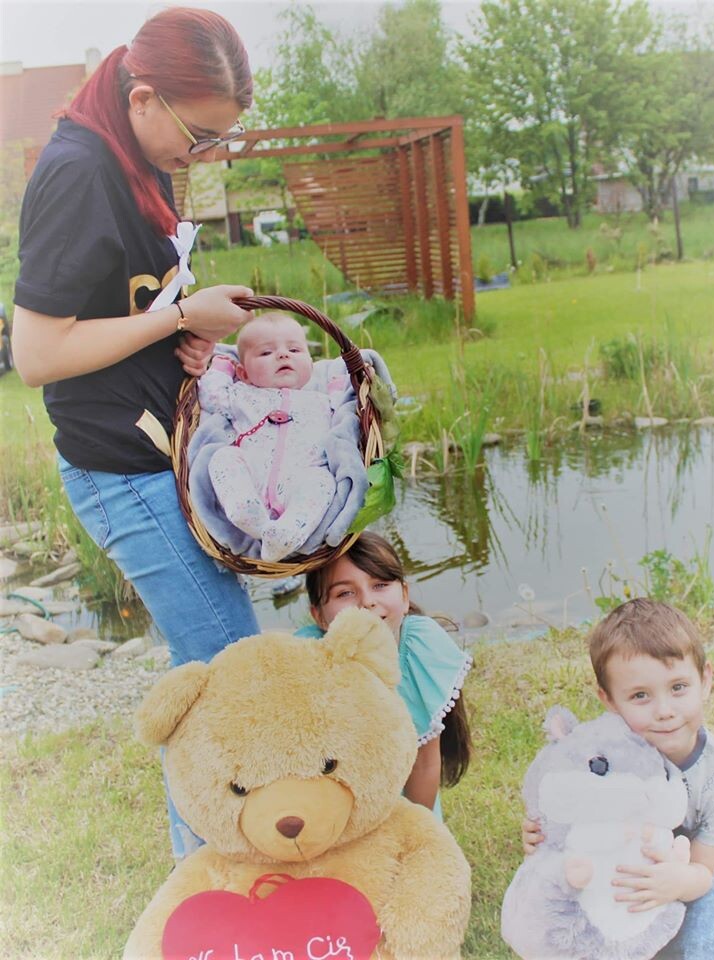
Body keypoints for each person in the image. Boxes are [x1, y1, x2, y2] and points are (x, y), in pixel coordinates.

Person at [12, 7, 260, 860]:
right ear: (143, 97)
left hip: (159, 453)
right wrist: (180, 317)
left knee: (211, 676)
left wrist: (188, 334)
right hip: (121, 468)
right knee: (227, 677)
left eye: (219, 139)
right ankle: (204, 885)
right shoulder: (79, 172)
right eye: (199, 136)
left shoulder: (135, 160)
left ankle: (210, 874)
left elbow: (126, 310)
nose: (204, 155)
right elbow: (37, 354)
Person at [523, 598, 714, 960]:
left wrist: (677, 882)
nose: (664, 711)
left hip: (696, 873)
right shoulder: (600, 758)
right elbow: (566, 815)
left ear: (705, 680)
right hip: (617, 864)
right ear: (610, 700)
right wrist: (541, 837)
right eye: (640, 696)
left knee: (709, 942)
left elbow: (705, 870)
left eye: (678, 687)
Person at [300, 532, 473, 816]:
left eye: (380, 585)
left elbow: (423, 764)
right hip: (331, 808)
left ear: (404, 596)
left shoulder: (418, 649)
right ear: (319, 616)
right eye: (345, 593)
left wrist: (412, 831)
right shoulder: (307, 658)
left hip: (405, 804)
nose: (367, 601)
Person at [198, 313, 344, 562]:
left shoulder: (322, 401)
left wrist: (341, 387)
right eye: (266, 353)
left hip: (299, 483)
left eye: (294, 350)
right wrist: (221, 369)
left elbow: (346, 417)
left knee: (322, 481)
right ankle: (244, 510)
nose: (283, 355)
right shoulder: (242, 395)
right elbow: (212, 398)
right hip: (252, 480)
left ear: (311, 364)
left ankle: (287, 532)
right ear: (244, 373)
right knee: (224, 456)